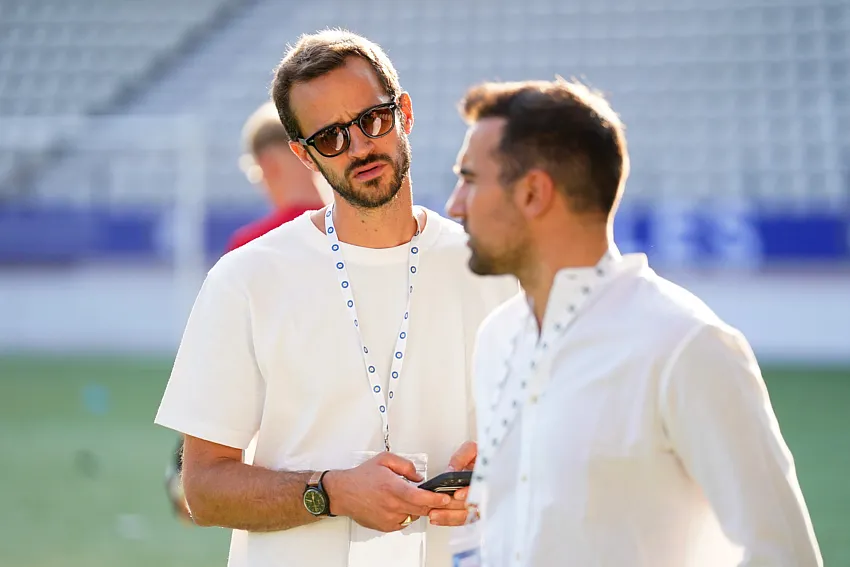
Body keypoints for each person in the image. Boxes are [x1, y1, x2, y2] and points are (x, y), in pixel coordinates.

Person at [153, 29, 517, 567]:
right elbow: (202, 488)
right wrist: (332, 492)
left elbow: (552, 445)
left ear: (404, 113)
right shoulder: (245, 279)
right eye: (330, 138)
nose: (360, 147)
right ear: (303, 154)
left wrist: (496, 473)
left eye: (372, 120)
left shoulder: (496, 270)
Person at [445, 79, 823, 566]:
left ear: (534, 193)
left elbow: (784, 555)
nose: (455, 205)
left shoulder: (685, 345)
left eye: (470, 179)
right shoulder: (497, 336)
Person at [164, 101, 330, 524]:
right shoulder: (362, 236)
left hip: (279, 460)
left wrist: (188, 464)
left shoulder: (249, 248)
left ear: (266, 163)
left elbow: (222, 370)